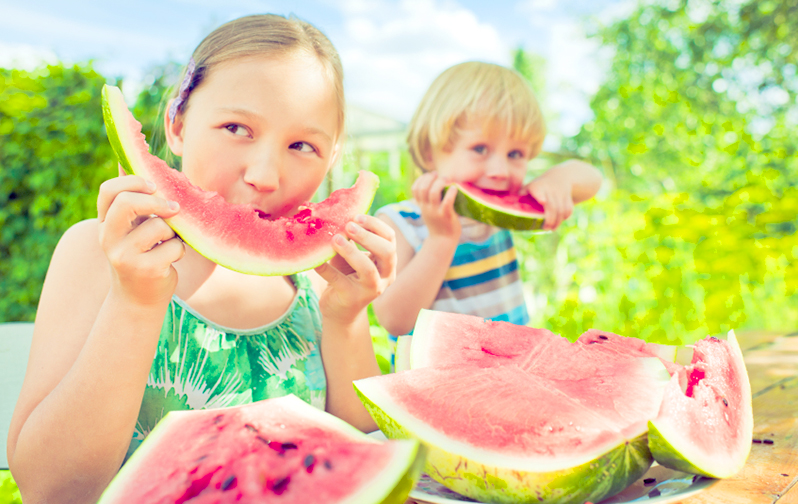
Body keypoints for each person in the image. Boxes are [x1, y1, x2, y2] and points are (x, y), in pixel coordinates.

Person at [6, 14, 395, 503]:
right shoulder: (95, 254)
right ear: (177, 124)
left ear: (332, 158)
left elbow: (359, 447)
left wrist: (346, 317)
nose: (265, 174)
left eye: (303, 145)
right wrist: (135, 303)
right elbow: (50, 488)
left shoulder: (316, 285)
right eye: (237, 127)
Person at [372, 61, 602, 339]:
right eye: (480, 148)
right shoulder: (400, 223)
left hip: (513, 368)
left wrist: (561, 179)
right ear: (429, 152)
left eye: (516, 154)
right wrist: (441, 241)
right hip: (440, 379)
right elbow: (394, 321)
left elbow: (592, 179)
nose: (500, 171)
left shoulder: (506, 207)